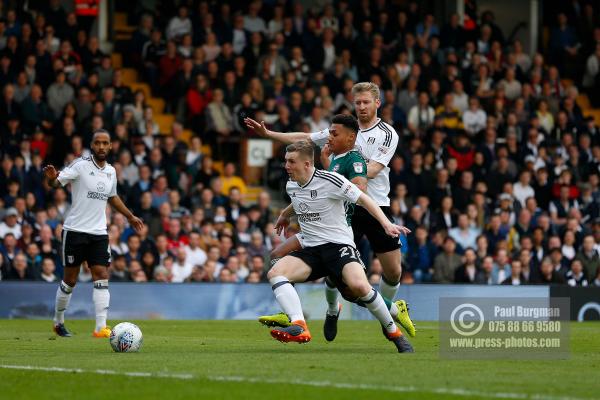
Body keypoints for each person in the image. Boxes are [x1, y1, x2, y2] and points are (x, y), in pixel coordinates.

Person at [245, 82, 415, 339]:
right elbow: (304, 139)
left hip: (374, 205)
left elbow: (373, 170)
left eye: (366, 102)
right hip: (342, 207)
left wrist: (334, 173)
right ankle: (333, 310)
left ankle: (390, 310)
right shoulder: (341, 131)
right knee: (337, 268)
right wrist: (270, 135)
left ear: (377, 103)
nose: (361, 107)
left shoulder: (386, 134)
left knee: (393, 271)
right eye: (357, 102)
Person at [266, 141, 413, 353]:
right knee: (276, 272)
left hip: (339, 246)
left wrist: (386, 223)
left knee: (359, 288)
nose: (286, 166)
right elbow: (298, 200)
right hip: (312, 248)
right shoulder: (291, 184)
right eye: (285, 161)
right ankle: (299, 324)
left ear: (307, 164)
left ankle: (393, 333)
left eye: (291, 162)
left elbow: (364, 199)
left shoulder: (331, 180)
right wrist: (284, 215)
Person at [43, 129, 144, 338]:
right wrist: (52, 179)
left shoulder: (111, 171)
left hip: (99, 233)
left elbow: (112, 197)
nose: (101, 146)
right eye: (97, 143)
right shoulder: (80, 165)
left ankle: (100, 328)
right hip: (75, 231)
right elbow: (56, 182)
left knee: (102, 275)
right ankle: (58, 321)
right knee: (70, 280)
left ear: (110, 146)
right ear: (92, 145)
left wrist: (130, 216)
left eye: (105, 143)